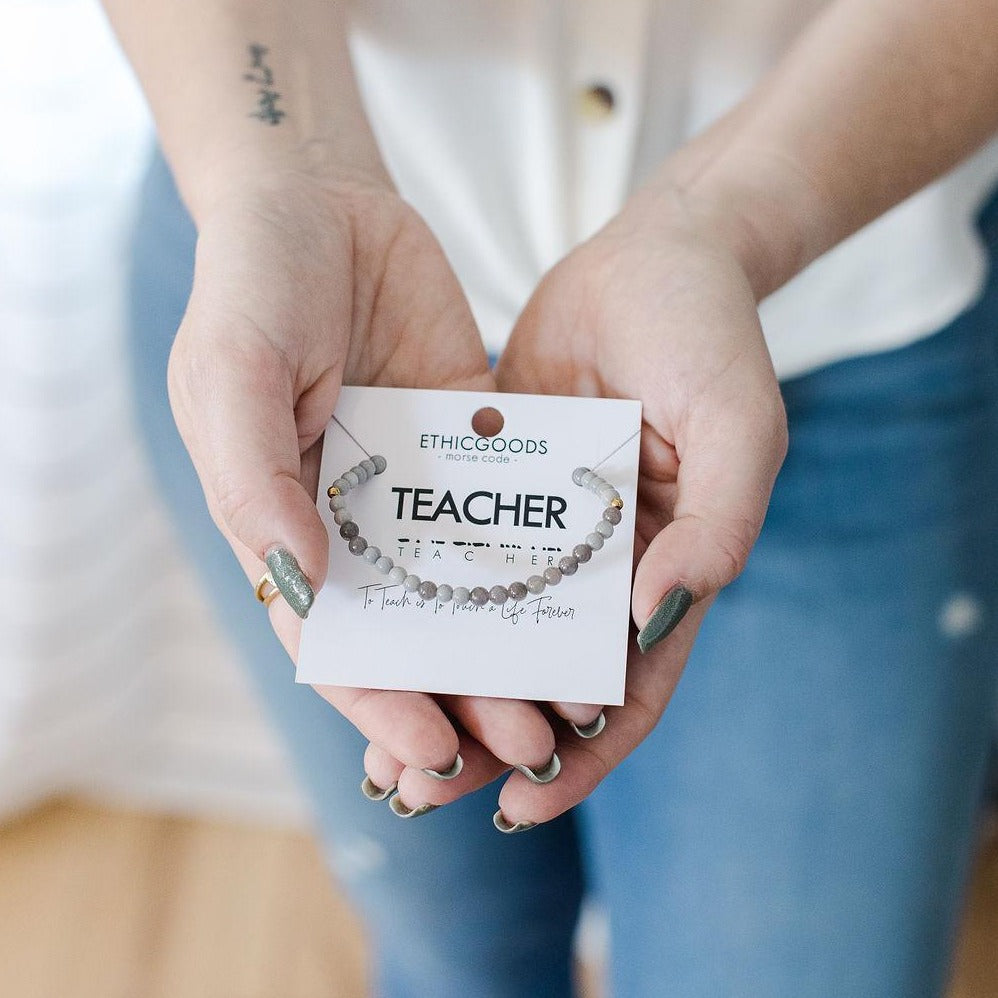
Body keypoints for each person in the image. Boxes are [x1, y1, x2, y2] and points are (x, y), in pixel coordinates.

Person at [107, 1, 998, 995]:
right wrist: (287, 175)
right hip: (301, 314)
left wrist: (717, 220)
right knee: (454, 951)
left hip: (846, 308)